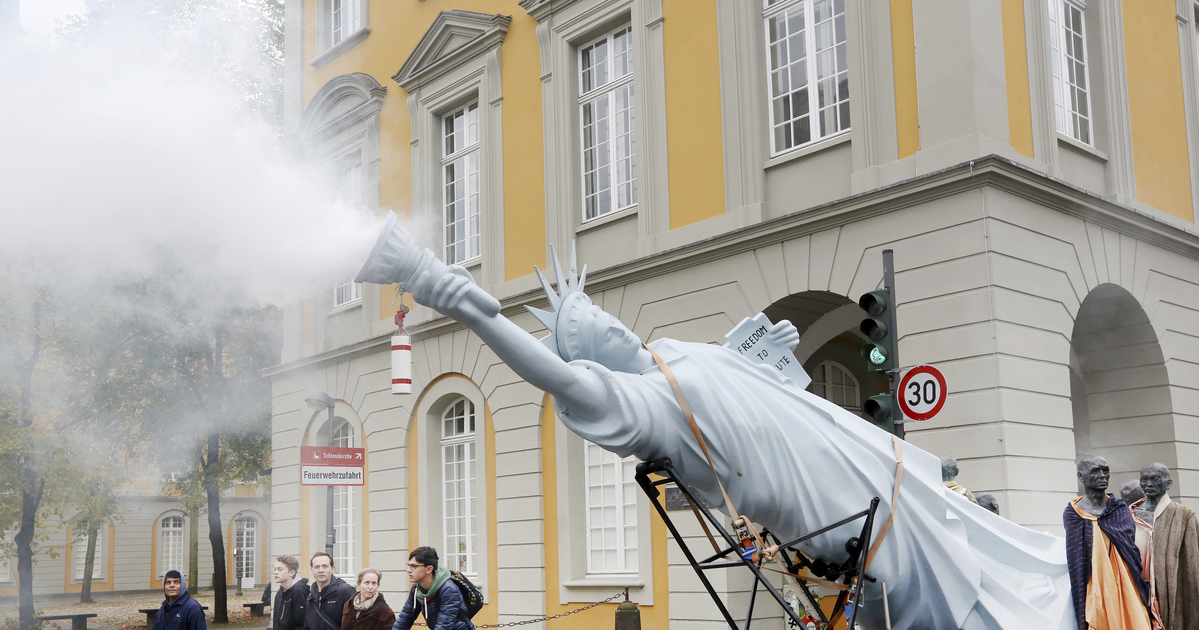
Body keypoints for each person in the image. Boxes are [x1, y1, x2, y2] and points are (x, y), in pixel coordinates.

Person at [357, 221, 1077, 629]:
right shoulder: (644, 407)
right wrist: (446, 290)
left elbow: (780, 386)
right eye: (588, 327)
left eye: (599, 312)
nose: (605, 320)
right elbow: (548, 372)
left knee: (973, 538)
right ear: (591, 361)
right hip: (835, 506)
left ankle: (1064, 576)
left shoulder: (677, 354)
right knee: (936, 584)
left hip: (863, 462)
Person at [1063, 456, 1151, 630]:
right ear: (1081, 477)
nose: (1103, 475)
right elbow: (1075, 556)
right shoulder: (1074, 513)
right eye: (1096, 471)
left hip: (1126, 583)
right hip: (1093, 585)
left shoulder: (1119, 510)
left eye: (1105, 470)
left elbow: (1130, 550)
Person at [1136, 463, 1199, 630]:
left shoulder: (1184, 515)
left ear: (1168, 484)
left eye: (1155, 479)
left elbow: (1192, 566)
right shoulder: (1130, 514)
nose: (1148, 484)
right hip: (1137, 590)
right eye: (1144, 479)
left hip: (1171, 592)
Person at [392, 547, 472, 630]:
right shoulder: (416, 588)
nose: (408, 570)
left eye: (414, 566)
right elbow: (405, 617)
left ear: (429, 569)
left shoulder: (448, 589)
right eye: (408, 565)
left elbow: (444, 626)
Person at [305, 552, 356, 630]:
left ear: (332, 569)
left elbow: (354, 624)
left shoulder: (345, 592)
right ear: (312, 570)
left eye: (325, 566)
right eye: (317, 567)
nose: (321, 570)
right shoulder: (311, 595)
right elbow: (307, 625)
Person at [273, 555, 309, 630]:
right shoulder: (280, 592)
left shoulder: (299, 591)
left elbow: (302, 623)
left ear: (292, 573)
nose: (275, 572)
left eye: (280, 569)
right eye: (275, 569)